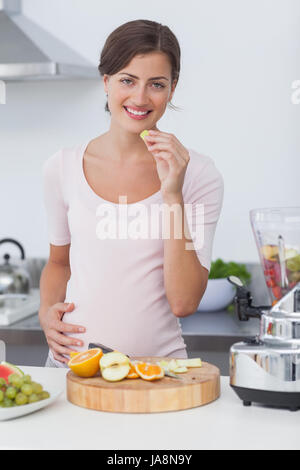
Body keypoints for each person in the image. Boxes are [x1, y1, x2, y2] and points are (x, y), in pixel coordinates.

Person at [40, 19, 224, 367]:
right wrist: (46, 313)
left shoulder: (198, 174)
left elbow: (184, 302)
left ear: (172, 88)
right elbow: (58, 263)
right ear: (106, 81)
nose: (140, 98)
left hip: (159, 373)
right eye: (127, 80)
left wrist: (173, 195)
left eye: (156, 84)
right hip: (71, 370)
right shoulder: (61, 167)